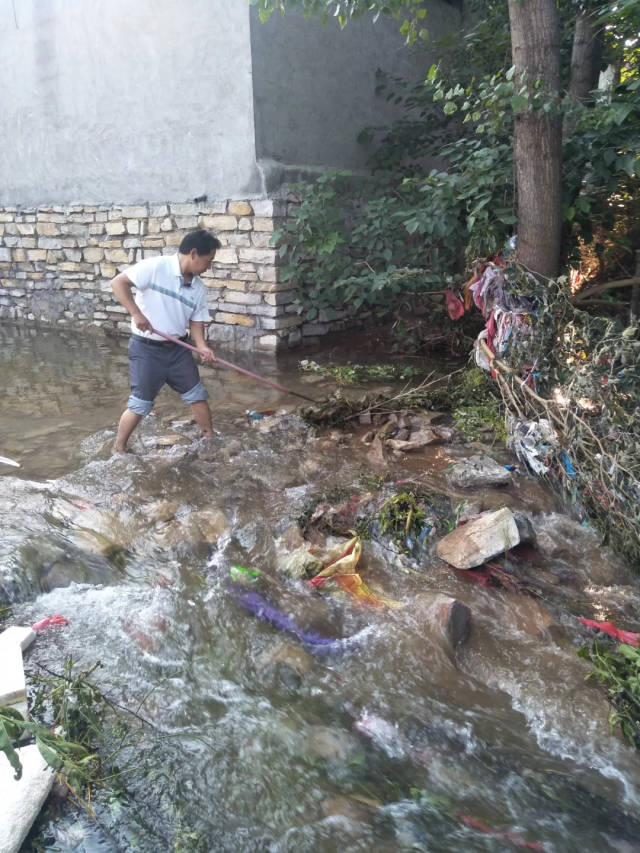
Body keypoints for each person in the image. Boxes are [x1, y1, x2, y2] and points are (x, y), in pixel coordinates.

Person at [111, 229, 221, 452]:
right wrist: (136, 314)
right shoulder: (155, 267)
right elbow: (118, 283)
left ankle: (210, 440)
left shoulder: (198, 287)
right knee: (140, 404)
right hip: (147, 350)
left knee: (197, 394)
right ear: (193, 253)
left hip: (178, 350)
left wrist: (201, 346)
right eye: (208, 261)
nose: (208, 267)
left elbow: (196, 322)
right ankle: (119, 448)